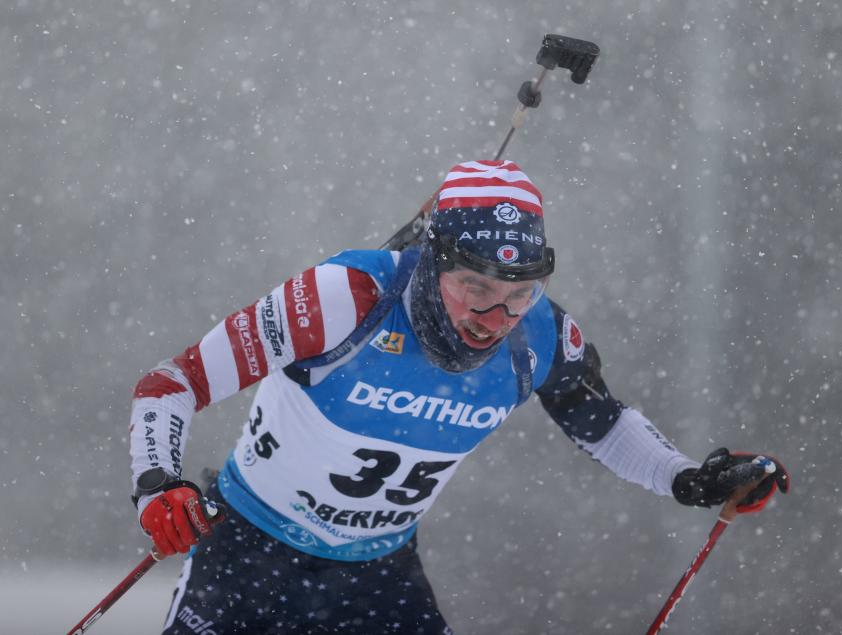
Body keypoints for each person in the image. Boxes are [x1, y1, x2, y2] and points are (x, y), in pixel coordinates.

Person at [128, 160, 789, 634]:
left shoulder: (541, 335)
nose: (494, 315)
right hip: (252, 555)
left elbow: (604, 424)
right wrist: (158, 484)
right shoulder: (345, 298)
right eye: (475, 286)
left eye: (518, 291)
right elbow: (172, 383)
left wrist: (693, 480)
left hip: (376, 575)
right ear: (432, 256)